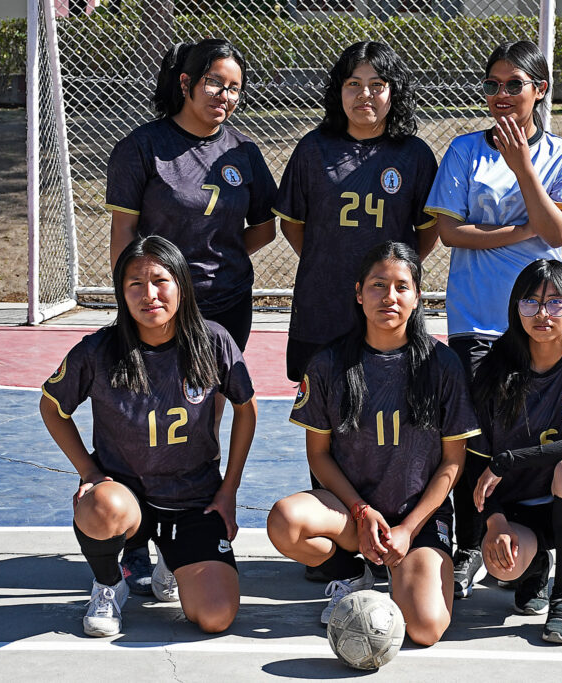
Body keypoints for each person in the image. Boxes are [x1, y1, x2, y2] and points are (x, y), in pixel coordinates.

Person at [423, 40, 562, 599]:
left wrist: (522, 168)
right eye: (492, 84)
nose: (500, 95)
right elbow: (450, 233)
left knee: (531, 439)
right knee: (475, 438)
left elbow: (561, 232)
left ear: (538, 90)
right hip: (476, 320)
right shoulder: (465, 151)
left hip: (540, 322)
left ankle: (533, 549)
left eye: (513, 84)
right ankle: (475, 542)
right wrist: (523, 231)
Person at [105, 38, 276, 592]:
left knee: (207, 419)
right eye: (213, 83)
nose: (224, 95)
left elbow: (263, 227)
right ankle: (133, 538)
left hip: (222, 308)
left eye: (233, 87)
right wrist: (143, 295)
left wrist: (216, 260)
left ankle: (183, 534)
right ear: (185, 82)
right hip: (154, 311)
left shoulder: (244, 152)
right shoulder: (142, 149)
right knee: (139, 417)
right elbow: (124, 238)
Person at [40, 235, 257, 637]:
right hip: (127, 498)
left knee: (215, 617)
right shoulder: (98, 351)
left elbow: (246, 409)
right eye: (135, 284)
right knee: (100, 504)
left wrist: (228, 492)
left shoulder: (213, 342)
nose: (149, 294)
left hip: (193, 500)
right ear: (122, 294)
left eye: (160, 280)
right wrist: (88, 471)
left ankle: (172, 560)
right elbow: (52, 406)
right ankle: (109, 583)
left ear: (181, 285)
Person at [267, 241, 480, 647]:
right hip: (351, 514)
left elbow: (453, 463)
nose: (390, 297)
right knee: (285, 521)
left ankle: (407, 569)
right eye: (378, 285)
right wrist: (362, 512)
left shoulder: (441, 364)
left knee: (425, 628)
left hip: (415, 521)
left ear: (418, 297)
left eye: (402, 286)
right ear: (359, 293)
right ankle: (349, 573)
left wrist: (406, 529)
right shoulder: (329, 363)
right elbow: (319, 454)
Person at [469, 259, 562, 645]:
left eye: (555, 303)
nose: (541, 313)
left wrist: (510, 459)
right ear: (515, 308)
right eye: (530, 302)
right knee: (500, 565)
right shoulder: (492, 369)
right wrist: (496, 523)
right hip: (520, 508)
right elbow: (478, 463)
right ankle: (533, 566)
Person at [274, 41, 439, 386]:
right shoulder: (313, 149)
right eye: (353, 84)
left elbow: (428, 230)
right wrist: (329, 258)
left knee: (389, 406)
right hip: (323, 303)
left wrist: (393, 269)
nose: (365, 94)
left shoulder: (415, 155)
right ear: (339, 91)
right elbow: (291, 223)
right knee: (320, 412)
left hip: (387, 306)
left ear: (394, 92)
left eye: (377, 85)